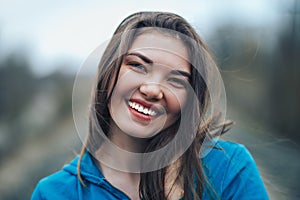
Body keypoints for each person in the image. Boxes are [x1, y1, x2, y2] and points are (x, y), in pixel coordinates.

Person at [31, 11, 269, 200]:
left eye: (176, 80)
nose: (153, 89)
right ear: (108, 74)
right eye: (137, 66)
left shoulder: (229, 169)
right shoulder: (53, 194)